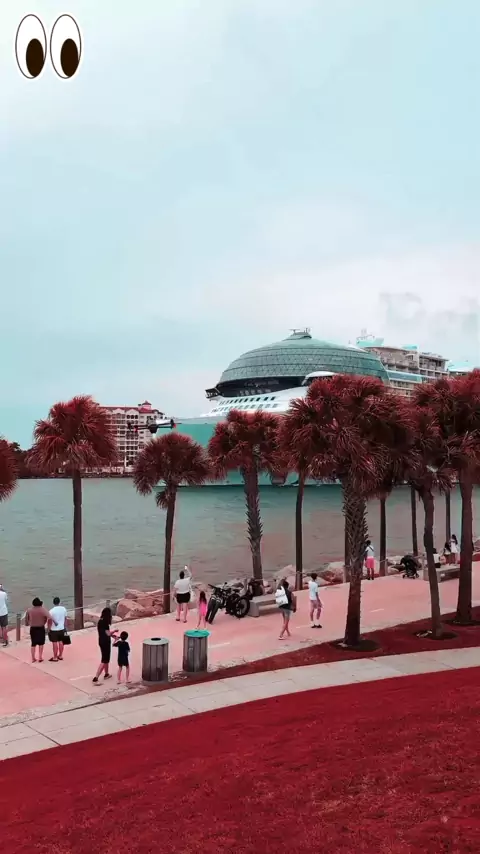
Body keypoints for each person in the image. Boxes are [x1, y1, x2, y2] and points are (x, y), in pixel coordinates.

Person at [93, 607, 118, 683]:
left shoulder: (100, 621)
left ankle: (106, 674)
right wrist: (114, 631)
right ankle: (96, 678)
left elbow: (104, 633)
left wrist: (113, 636)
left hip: (101, 641)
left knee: (106, 658)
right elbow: (108, 633)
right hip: (106, 642)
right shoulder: (105, 623)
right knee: (104, 660)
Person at [25, 598, 51, 663]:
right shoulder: (42, 609)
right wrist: (45, 622)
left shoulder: (29, 610)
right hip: (41, 628)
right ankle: (40, 657)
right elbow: (49, 617)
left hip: (33, 628)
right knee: (41, 643)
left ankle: (33, 658)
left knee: (33, 643)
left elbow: (27, 619)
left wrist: (28, 623)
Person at [48, 596, 68, 662]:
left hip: (54, 629)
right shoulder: (64, 609)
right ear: (59, 602)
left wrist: (48, 628)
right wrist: (65, 627)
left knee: (54, 643)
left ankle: (55, 657)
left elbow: (50, 621)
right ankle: (60, 655)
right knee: (61, 642)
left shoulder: (51, 611)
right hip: (62, 628)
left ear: (53, 603)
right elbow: (65, 619)